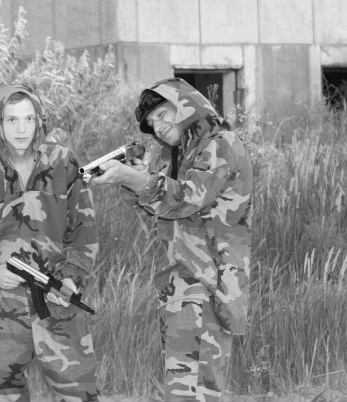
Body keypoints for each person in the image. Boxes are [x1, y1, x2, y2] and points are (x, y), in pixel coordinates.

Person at [91, 77, 252, 402]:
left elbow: (185, 199)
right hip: (181, 284)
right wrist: (135, 179)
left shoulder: (220, 144)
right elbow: (155, 205)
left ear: (186, 105)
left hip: (206, 285)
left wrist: (136, 179)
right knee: (186, 390)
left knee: (193, 392)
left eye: (163, 114)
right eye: (152, 123)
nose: (159, 127)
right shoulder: (182, 155)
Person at [0, 83, 100, 402]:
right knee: (3, 392)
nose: (21, 129)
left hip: (57, 297)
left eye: (28, 119)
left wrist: (71, 278)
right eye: (12, 120)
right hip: (3, 303)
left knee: (79, 392)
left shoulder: (63, 163)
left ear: (39, 120)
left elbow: (85, 232)